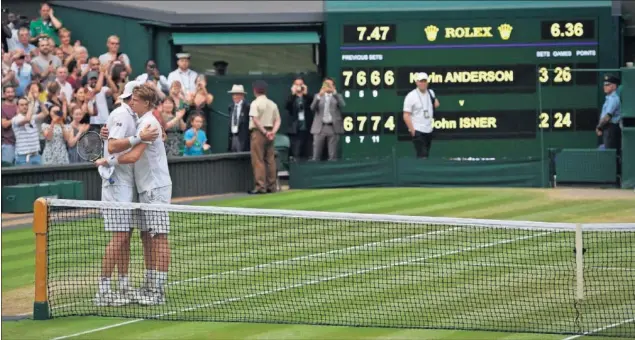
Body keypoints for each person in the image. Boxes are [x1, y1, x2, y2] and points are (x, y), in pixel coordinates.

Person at [96, 84, 172, 306]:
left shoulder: (148, 122)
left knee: (159, 237)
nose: (131, 103)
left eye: (135, 100)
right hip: (144, 188)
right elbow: (127, 142)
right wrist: (107, 136)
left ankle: (157, 291)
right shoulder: (141, 122)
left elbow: (133, 157)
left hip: (155, 188)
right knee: (147, 236)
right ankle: (149, 286)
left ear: (146, 103)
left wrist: (107, 160)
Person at [249, 80, 281, 194]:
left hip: (259, 133)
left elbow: (255, 119)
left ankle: (260, 187)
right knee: (270, 160)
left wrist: (264, 132)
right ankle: (272, 186)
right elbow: (278, 120)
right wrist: (272, 132)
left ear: (255, 91)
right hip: (270, 132)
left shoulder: (255, 103)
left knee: (258, 160)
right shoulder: (273, 104)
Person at [402, 72, 440, 159]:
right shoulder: (411, 96)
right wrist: (413, 131)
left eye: (424, 81)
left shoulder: (431, 93)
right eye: (420, 81)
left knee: (425, 154)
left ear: (427, 82)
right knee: (423, 155)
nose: (422, 83)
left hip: (428, 130)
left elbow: (436, 104)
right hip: (418, 130)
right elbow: (406, 115)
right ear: (416, 82)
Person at [310, 77, 345, 161]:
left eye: (330, 85)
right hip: (320, 127)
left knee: (333, 155)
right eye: (326, 84)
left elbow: (342, 105)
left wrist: (335, 93)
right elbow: (312, 108)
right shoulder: (317, 96)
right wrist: (319, 96)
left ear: (334, 86)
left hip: (333, 128)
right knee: (316, 155)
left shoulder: (337, 96)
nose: (328, 86)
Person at [286, 77, 314, 160]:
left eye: (300, 84)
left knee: (308, 153)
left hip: (307, 129)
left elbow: (313, 103)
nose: (299, 86)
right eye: (297, 84)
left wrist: (305, 93)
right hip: (296, 130)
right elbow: (287, 106)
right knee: (296, 152)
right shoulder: (292, 98)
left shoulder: (307, 97)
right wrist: (293, 94)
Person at [12, 97, 41, 165]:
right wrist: (31, 104)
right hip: (23, 156)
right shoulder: (15, 119)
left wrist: (39, 100)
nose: (25, 106)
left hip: (36, 154)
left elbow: (45, 113)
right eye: (22, 105)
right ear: (17, 106)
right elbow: (27, 119)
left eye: (26, 104)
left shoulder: (32, 117)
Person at [596, 74, 621, 153]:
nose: (605, 87)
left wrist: (599, 127)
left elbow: (607, 116)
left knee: (610, 154)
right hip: (608, 128)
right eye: (604, 85)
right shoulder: (609, 98)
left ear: (614, 86)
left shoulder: (613, 99)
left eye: (607, 85)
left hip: (611, 129)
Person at [227, 84, 250, 153]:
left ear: (242, 95)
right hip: (233, 137)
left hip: (243, 139)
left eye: (237, 94)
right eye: (233, 95)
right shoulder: (231, 107)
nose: (234, 97)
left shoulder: (247, 107)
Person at [1, 86, 17, 164]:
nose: (10, 94)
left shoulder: (18, 106)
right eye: (8, 92)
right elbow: (4, 124)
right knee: (8, 169)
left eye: (12, 92)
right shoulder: (2, 107)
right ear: (4, 94)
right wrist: (16, 118)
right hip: (8, 144)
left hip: (20, 144)